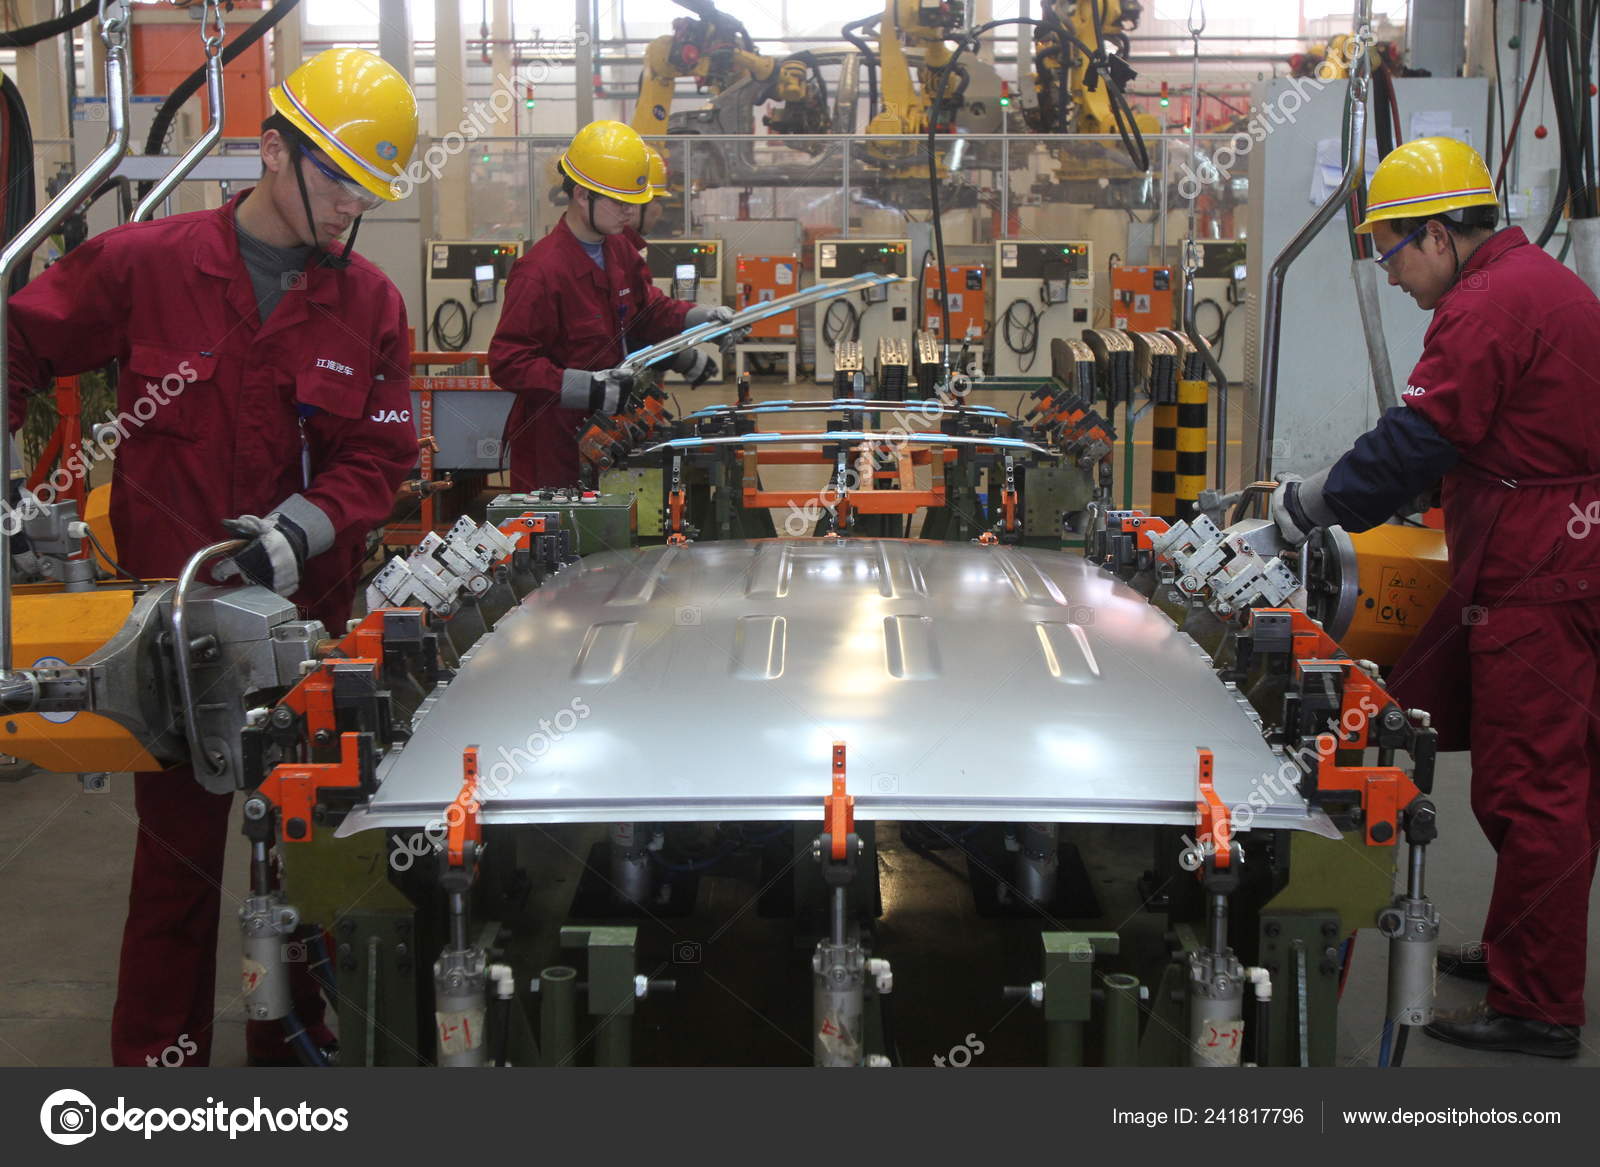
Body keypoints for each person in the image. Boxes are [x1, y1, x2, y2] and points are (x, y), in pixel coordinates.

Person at [6, 47, 422, 1066]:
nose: (349, 211)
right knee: (175, 875)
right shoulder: (149, 264)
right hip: (172, 638)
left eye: (368, 191)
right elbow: (17, 344)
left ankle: (298, 1045)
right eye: (335, 179)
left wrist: (302, 531)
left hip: (306, 634)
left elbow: (382, 453)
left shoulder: (368, 303)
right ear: (273, 151)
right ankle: (162, 1071)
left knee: (312, 861)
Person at [1269, 137, 1600, 1058]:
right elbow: (1493, 435)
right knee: (1548, 781)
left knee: (1530, 787)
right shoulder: (1532, 283)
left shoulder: (1487, 305)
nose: (1389, 272)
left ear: (1443, 234)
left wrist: (1308, 507)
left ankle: (1538, 1006)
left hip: (1543, 571)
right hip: (1561, 554)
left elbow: (1418, 439)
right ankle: (1520, 955)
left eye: (1391, 249)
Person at [489, 121, 728, 491]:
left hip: (608, 435)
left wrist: (702, 318)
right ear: (583, 195)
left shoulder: (618, 250)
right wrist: (588, 387)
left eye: (632, 204)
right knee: (559, 543)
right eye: (619, 203)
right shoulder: (541, 271)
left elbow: (649, 312)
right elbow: (509, 363)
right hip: (554, 445)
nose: (628, 214)